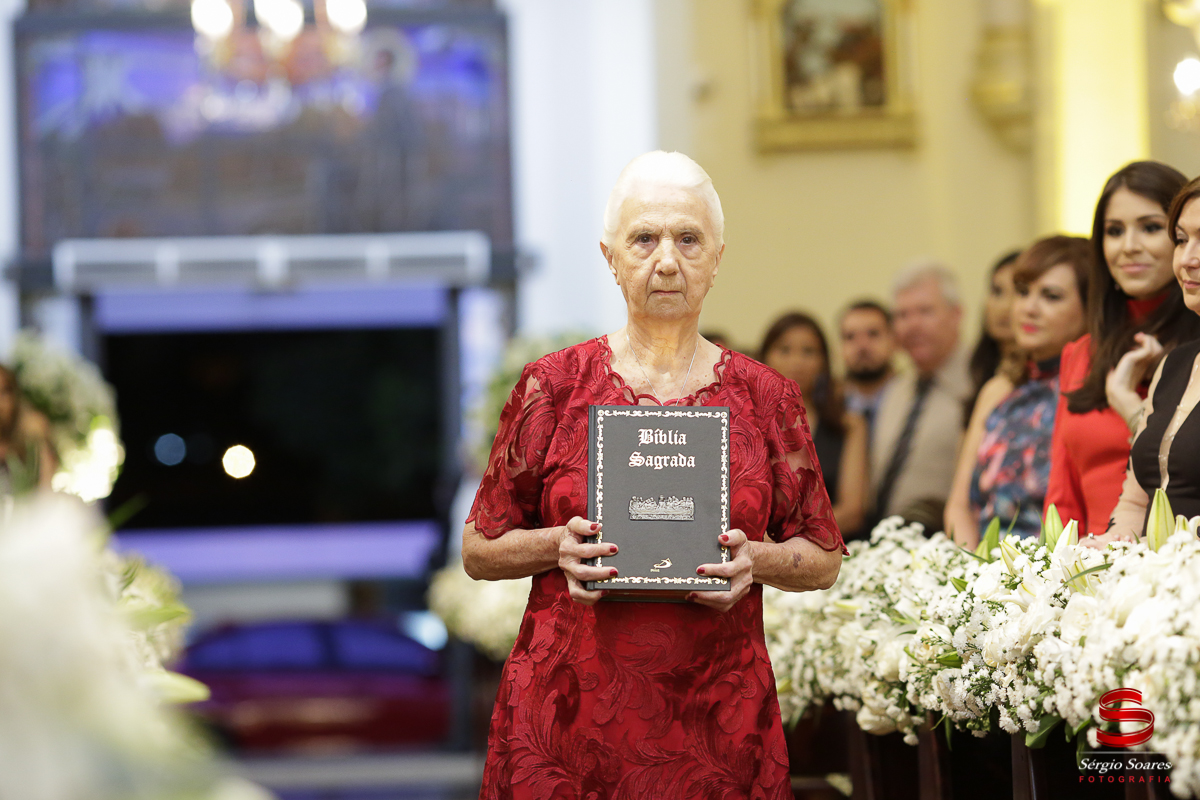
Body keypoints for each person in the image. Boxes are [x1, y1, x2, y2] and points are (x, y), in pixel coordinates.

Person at [461, 151, 843, 799]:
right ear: (611, 258)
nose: (667, 260)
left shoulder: (767, 397)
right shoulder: (552, 387)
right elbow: (478, 549)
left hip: (717, 716)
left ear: (717, 258)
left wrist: (756, 561)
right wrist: (558, 545)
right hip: (570, 717)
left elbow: (825, 556)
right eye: (645, 239)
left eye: (688, 239)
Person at [1045, 162, 1200, 534]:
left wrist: (1130, 406)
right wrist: (1058, 575)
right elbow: (1064, 488)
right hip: (1113, 556)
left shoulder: (1183, 345)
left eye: (1149, 228)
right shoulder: (1086, 353)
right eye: (1114, 231)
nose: (1129, 247)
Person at [944, 236, 1092, 545]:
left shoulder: (1097, 389)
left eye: (1051, 296)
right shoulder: (998, 391)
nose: (1028, 308)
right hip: (984, 571)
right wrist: (974, 574)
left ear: (1090, 306)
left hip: (1065, 572)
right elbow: (958, 506)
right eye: (1023, 293)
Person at [1101, 176, 1200, 541]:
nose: (1189, 259)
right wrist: (1104, 554)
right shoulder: (1174, 364)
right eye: (1181, 240)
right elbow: (1135, 504)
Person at [870, 263, 970, 528]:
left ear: (956, 314)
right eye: (902, 315)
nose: (912, 325)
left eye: (925, 311)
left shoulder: (978, 387)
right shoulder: (894, 391)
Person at [759, 311, 868, 537]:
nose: (796, 361)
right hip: (755, 552)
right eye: (784, 350)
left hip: (830, 550)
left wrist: (789, 540)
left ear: (823, 361)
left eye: (808, 351)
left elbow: (852, 511)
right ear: (765, 356)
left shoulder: (848, 425)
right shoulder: (747, 425)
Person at [965, 251, 1020, 420]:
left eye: (1020, 292)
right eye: (997, 291)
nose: (1004, 306)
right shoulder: (980, 367)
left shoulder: (1039, 377)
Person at [838, 300, 896, 437]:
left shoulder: (914, 401)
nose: (862, 346)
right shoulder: (830, 408)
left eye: (873, 334)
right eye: (850, 337)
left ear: (894, 340)